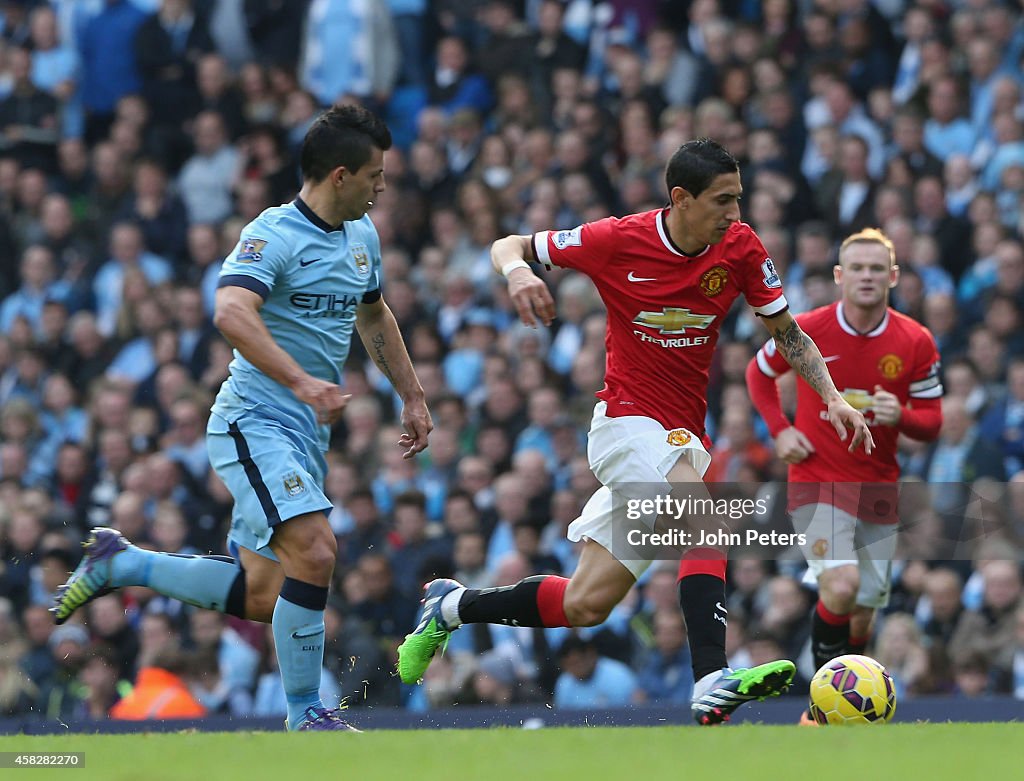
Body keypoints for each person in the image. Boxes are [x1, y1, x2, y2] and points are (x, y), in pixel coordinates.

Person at [398, 138, 873, 725]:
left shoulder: (742, 249)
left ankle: (451, 606)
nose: (735, 212)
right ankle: (710, 679)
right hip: (625, 423)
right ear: (681, 198)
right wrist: (519, 273)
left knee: (585, 603)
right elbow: (508, 244)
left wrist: (831, 399)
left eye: (739, 198)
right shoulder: (618, 239)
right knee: (704, 517)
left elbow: (790, 335)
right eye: (723, 200)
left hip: (678, 440)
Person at [51, 105, 432, 731]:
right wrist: (302, 379)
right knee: (315, 551)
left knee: (263, 595)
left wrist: (412, 397)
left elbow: (374, 315)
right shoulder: (273, 234)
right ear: (340, 175)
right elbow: (229, 310)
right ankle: (305, 714)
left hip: (305, 432)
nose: (382, 186)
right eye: (374, 175)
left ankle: (123, 563)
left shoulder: (362, 237)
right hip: (254, 419)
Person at [745, 228, 942, 689]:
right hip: (815, 481)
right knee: (841, 586)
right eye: (857, 268)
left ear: (893, 276)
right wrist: (780, 430)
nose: (867, 277)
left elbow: (933, 422)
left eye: (877, 269)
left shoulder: (915, 341)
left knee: (862, 613)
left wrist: (904, 416)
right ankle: (823, 698)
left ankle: (846, 700)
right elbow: (758, 374)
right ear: (839, 275)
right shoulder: (808, 328)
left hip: (877, 488)